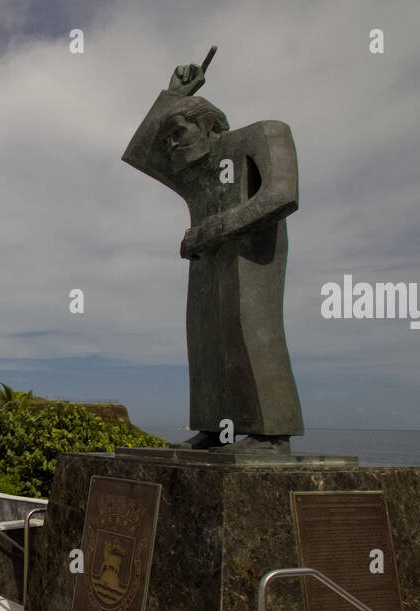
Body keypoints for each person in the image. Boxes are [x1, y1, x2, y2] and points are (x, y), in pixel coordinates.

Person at [122, 57, 304, 451]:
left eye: (178, 132)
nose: (170, 144)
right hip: (207, 262)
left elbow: (281, 194)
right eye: (167, 138)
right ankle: (214, 428)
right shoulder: (194, 173)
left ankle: (271, 433)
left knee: (251, 328)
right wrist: (173, 97)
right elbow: (139, 153)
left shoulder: (261, 134)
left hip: (251, 254)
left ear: (207, 124)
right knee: (204, 336)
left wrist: (211, 230)